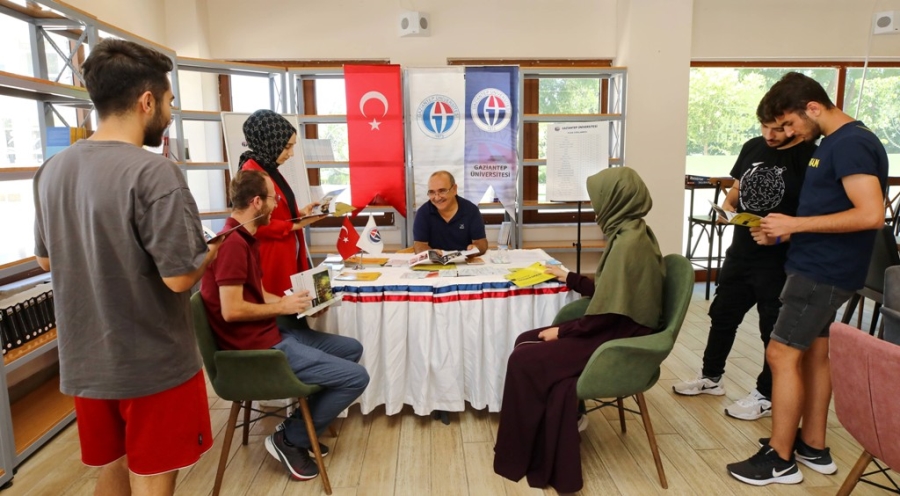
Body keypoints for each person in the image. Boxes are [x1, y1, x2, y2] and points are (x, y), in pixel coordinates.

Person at [32, 38, 219, 495]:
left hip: (85, 358)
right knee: (154, 475)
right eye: (170, 102)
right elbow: (179, 277)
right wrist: (210, 251)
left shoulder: (52, 170)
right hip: (150, 362)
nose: (170, 115)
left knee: (111, 468)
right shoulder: (154, 172)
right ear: (146, 100)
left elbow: (46, 258)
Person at [727, 72, 888, 486]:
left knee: (781, 355)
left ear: (812, 108)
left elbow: (871, 214)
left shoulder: (851, 143)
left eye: (790, 124)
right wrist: (784, 228)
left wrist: (796, 226)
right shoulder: (834, 143)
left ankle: (779, 460)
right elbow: (829, 209)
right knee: (815, 355)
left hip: (822, 271)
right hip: (816, 264)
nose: (785, 133)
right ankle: (812, 446)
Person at [494, 167, 665, 493]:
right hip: (615, 325)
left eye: (598, 201)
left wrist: (565, 332)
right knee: (525, 341)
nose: (596, 208)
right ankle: (546, 434)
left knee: (524, 359)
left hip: (618, 338)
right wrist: (570, 278)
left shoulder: (629, 243)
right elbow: (613, 292)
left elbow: (609, 310)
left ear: (617, 199)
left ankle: (524, 450)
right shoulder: (632, 230)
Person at [200, 170, 369, 481]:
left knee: (351, 349)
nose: (277, 205)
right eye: (273, 199)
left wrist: (300, 304)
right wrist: (281, 306)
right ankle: (290, 439)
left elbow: (259, 292)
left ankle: (298, 428)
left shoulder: (245, 238)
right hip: (256, 350)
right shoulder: (233, 244)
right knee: (356, 378)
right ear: (256, 202)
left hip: (271, 333)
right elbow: (232, 310)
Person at [672, 111, 816, 421]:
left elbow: (811, 215)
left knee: (771, 329)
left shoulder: (809, 156)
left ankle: (766, 395)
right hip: (740, 253)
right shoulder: (753, 146)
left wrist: (783, 235)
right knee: (723, 315)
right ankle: (711, 378)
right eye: (764, 126)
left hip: (779, 260)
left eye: (777, 129)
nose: (769, 135)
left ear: (793, 125)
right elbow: (737, 190)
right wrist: (727, 208)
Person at [238, 109, 321, 303]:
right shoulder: (252, 172)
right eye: (286, 147)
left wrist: (300, 213)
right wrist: (294, 225)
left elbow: (276, 211)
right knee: (279, 310)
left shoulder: (268, 167)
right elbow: (253, 222)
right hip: (271, 257)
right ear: (269, 141)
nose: (291, 154)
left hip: (285, 252)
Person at [413, 170, 488, 255]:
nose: (437, 198)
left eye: (442, 191)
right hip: (435, 263)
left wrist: (476, 248)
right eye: (432, 192)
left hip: (465, 262)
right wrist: (430, 253)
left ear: (454, 189)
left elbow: (481, 242)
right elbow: (419, 245)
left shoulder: (471, 210)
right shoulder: (423, 213)